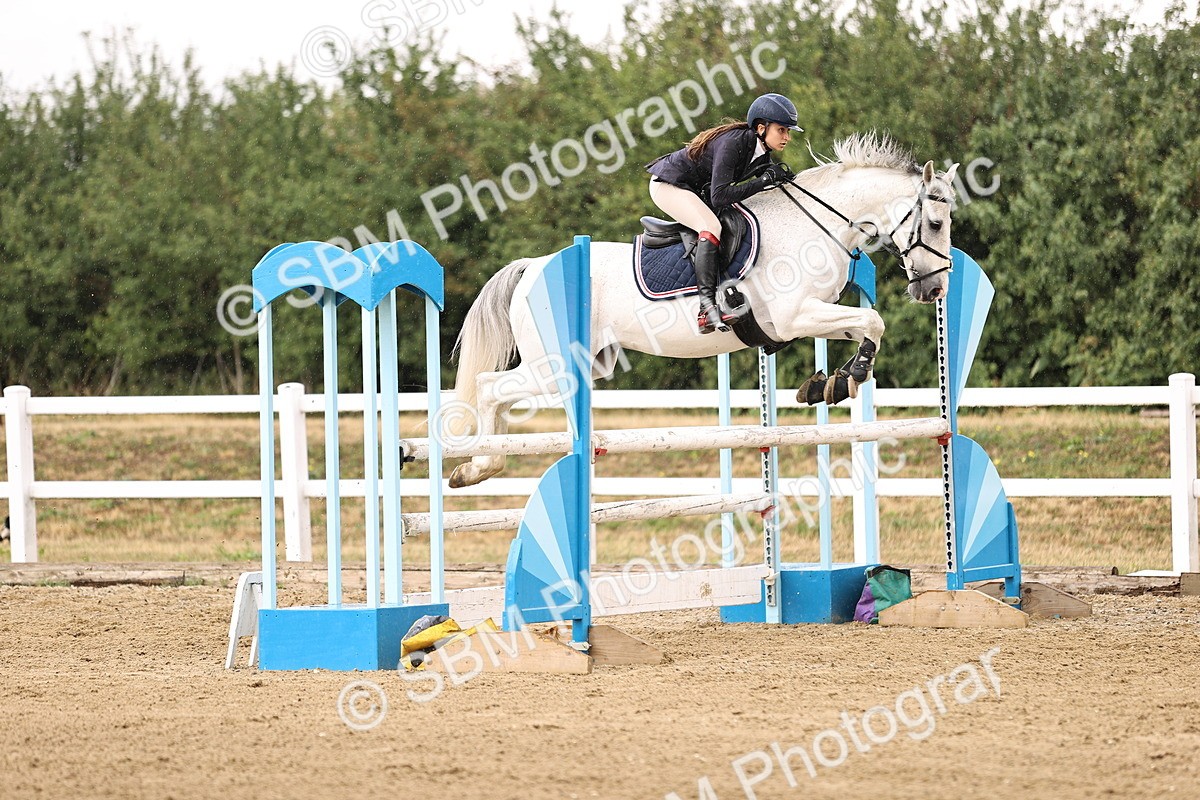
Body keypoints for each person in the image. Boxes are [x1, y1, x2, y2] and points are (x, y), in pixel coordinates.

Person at [645, 93, 802, 333]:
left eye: (788, 131)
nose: (787, 137)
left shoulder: (760, 153)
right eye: (782, 130)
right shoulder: (734, 143)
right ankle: (706, 308)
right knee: (711, 226)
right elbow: (720, 196)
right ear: (762, 128)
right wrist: (762, 183)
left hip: (694, 190)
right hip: (668, 185)